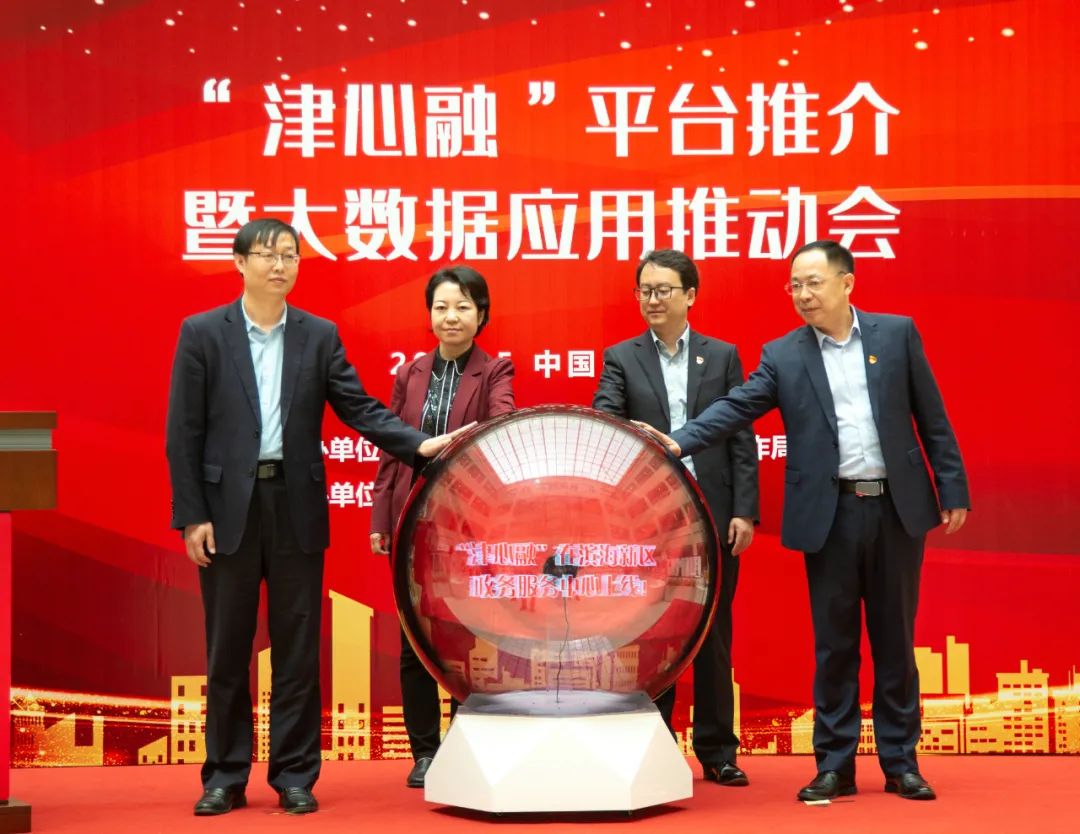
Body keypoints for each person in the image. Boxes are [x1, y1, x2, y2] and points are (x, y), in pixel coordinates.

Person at [638, 241, 969, 802]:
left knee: (895, 641)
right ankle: (834, 765)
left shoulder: (895, 335)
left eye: (814, 282)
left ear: (847, 282)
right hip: (830, 513)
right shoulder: (784, 354)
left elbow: (931, 416)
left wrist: (952, 486)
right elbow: (736, 407)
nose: (803, 294)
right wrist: (679, 441)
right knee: (834, 646)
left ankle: (901, 763)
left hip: (894, 509)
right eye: (795, 285)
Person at [166, 218, 470, 816]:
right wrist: (192, 515)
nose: (279, 265)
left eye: (290, 255)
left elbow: (357, 407)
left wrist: (417, 444)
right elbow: (184, 431)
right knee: (227, 649)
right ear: (239, 263)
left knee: (298, 649)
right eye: (267, 254)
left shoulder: (318, 335)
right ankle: (225, 775)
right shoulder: (203, 333)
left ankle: (294, 775)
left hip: (295, 506)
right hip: (226, 511)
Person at [592, 249, 759, 787]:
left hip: (714, 512)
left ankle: (717, 751)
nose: (653, 299)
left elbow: (740, 437)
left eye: (664, 290)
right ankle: (656, 747)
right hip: (649, 518)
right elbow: (606, 422)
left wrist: (744, 511)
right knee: (651, 631)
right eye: (645, 290)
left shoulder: (722, 355)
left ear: (690, 295)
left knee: (713, 632)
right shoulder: (622, 357)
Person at [369, 265, 515, 788]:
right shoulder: (410, 374)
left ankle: (460, 745)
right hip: (412, 521)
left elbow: (500, 425)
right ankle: (425, 752)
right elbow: (392, 449)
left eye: (462, 307)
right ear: (429, 315)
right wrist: (381, 517)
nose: (451, 317)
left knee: (464, 637)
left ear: (481, 314)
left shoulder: (494, 370)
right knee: (414, 639)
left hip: (467, 524)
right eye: (441, 307)